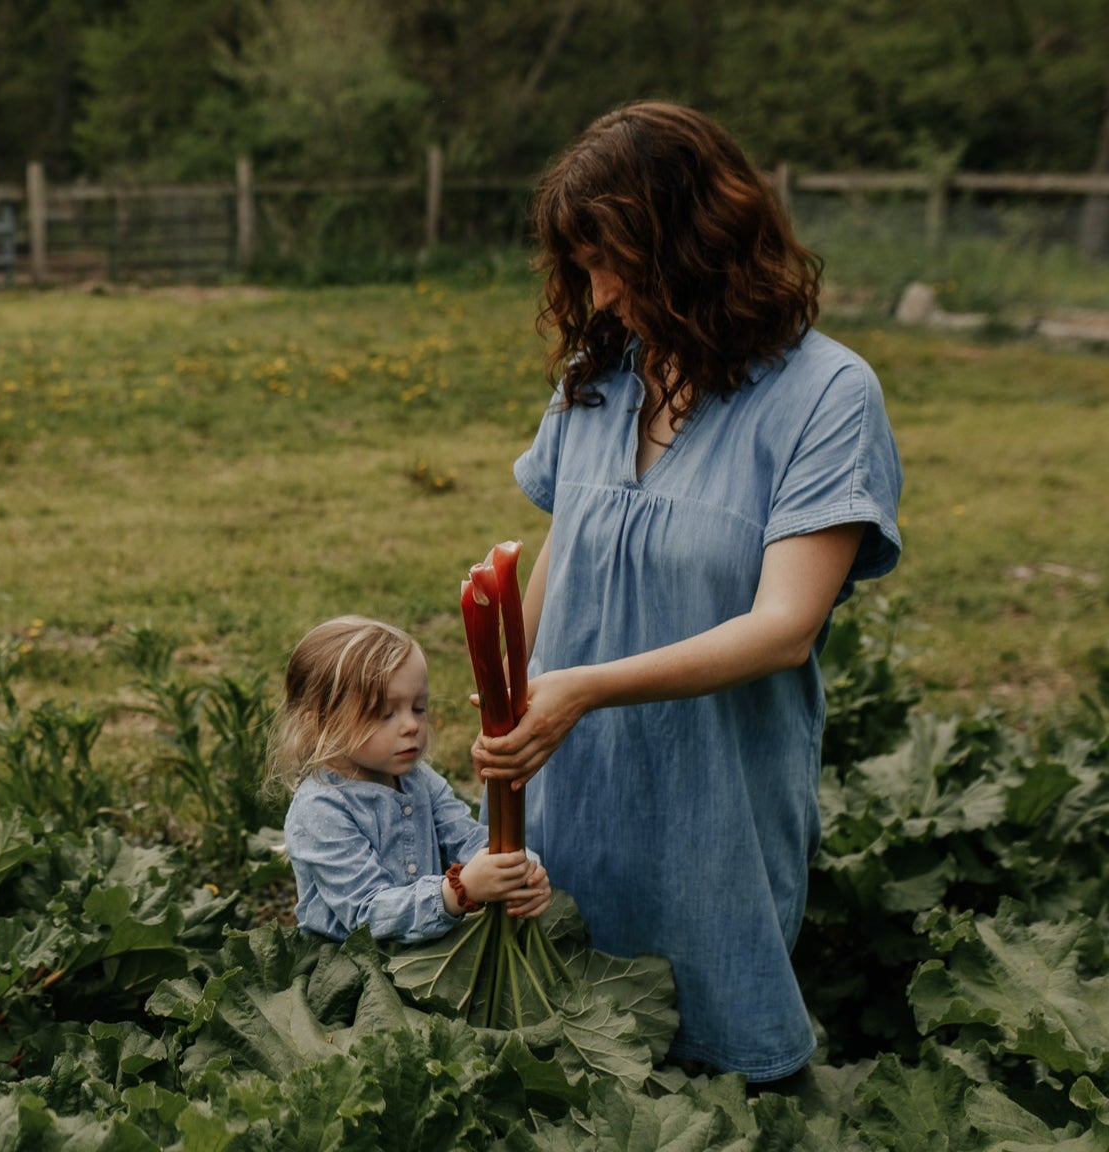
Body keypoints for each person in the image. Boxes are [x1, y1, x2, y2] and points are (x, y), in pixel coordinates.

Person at [472, 102, 904, 1083]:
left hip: (712, 797)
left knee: (715, 1079)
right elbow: (566, 545)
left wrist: (575, 689)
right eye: (581, 263)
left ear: (699, 245)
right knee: (561, 1057)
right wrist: (503, 707)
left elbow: (782, 628)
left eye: (618, 259)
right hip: (565, 783)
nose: (601, 289)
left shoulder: (824, 397)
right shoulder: (600, 374)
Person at [277, 615, 550, 943]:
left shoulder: (419, 780)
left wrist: (522, 870)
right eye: (384, 714)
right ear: (320, 725)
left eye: (418, 708)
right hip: (350, 970)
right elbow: (365, 915)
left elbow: (467, 838)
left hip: (422, 956)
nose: (411, 726)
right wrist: (457, 893)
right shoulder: (320, 809)